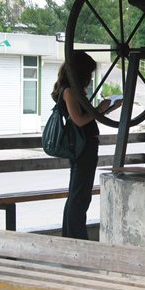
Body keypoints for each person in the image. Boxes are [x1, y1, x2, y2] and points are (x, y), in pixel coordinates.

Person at [51, 51, 120, 239]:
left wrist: (108, 108)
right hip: (83, 147)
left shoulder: (69, 89)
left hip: (83, 146)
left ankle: (71, 237)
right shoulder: (69, 91)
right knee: (79, 197)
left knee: (78, 194)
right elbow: (80, 120)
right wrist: (100, 109)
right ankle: (76, 239)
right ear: (80, 72)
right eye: (88, 74)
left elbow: (84, 119)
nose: (89, 78)